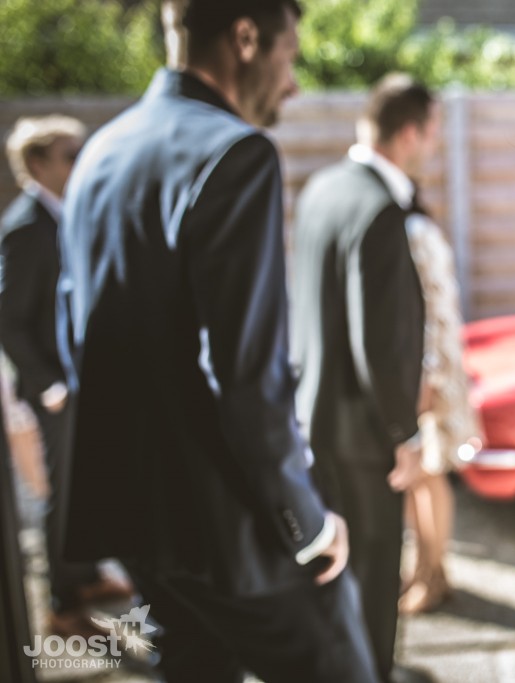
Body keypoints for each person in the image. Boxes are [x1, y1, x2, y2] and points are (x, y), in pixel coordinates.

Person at [58, 1, 378, 681]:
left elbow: (74, 327)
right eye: (289, 57)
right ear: (245, 38)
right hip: (233, 532)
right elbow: (246, 378)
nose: (292, 83)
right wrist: (307, 521)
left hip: (139, 520)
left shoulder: (99, 151)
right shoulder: (237, 152)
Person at [291, 73, 431, 682]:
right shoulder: (379, 210)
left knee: (334, 564)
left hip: (314, 414)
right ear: (411, 132)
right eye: (430, 134)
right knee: (374, 568)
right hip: (366, 431)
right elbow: (379, 341)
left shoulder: (323, 187)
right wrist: (406, 433)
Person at [1, 115, 135, 634]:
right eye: (70, 154)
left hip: (82, 381)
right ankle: (61, 605)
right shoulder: (27, 226)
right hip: (56, 389)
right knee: (64, 491)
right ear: (37, 164)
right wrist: (49, 386)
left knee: (89, 481)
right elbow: (9, 319)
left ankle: (86, 573)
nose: (81, 162)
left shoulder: (65, 212)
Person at [399, 161, 480, 617]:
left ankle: (432, 575)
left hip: (429, 376)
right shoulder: (420, 228)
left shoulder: (415, 232)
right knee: (419, 478)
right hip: (428, 373)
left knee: (430, 477)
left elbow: (433, 310)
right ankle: (426, 570)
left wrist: (428, 378)